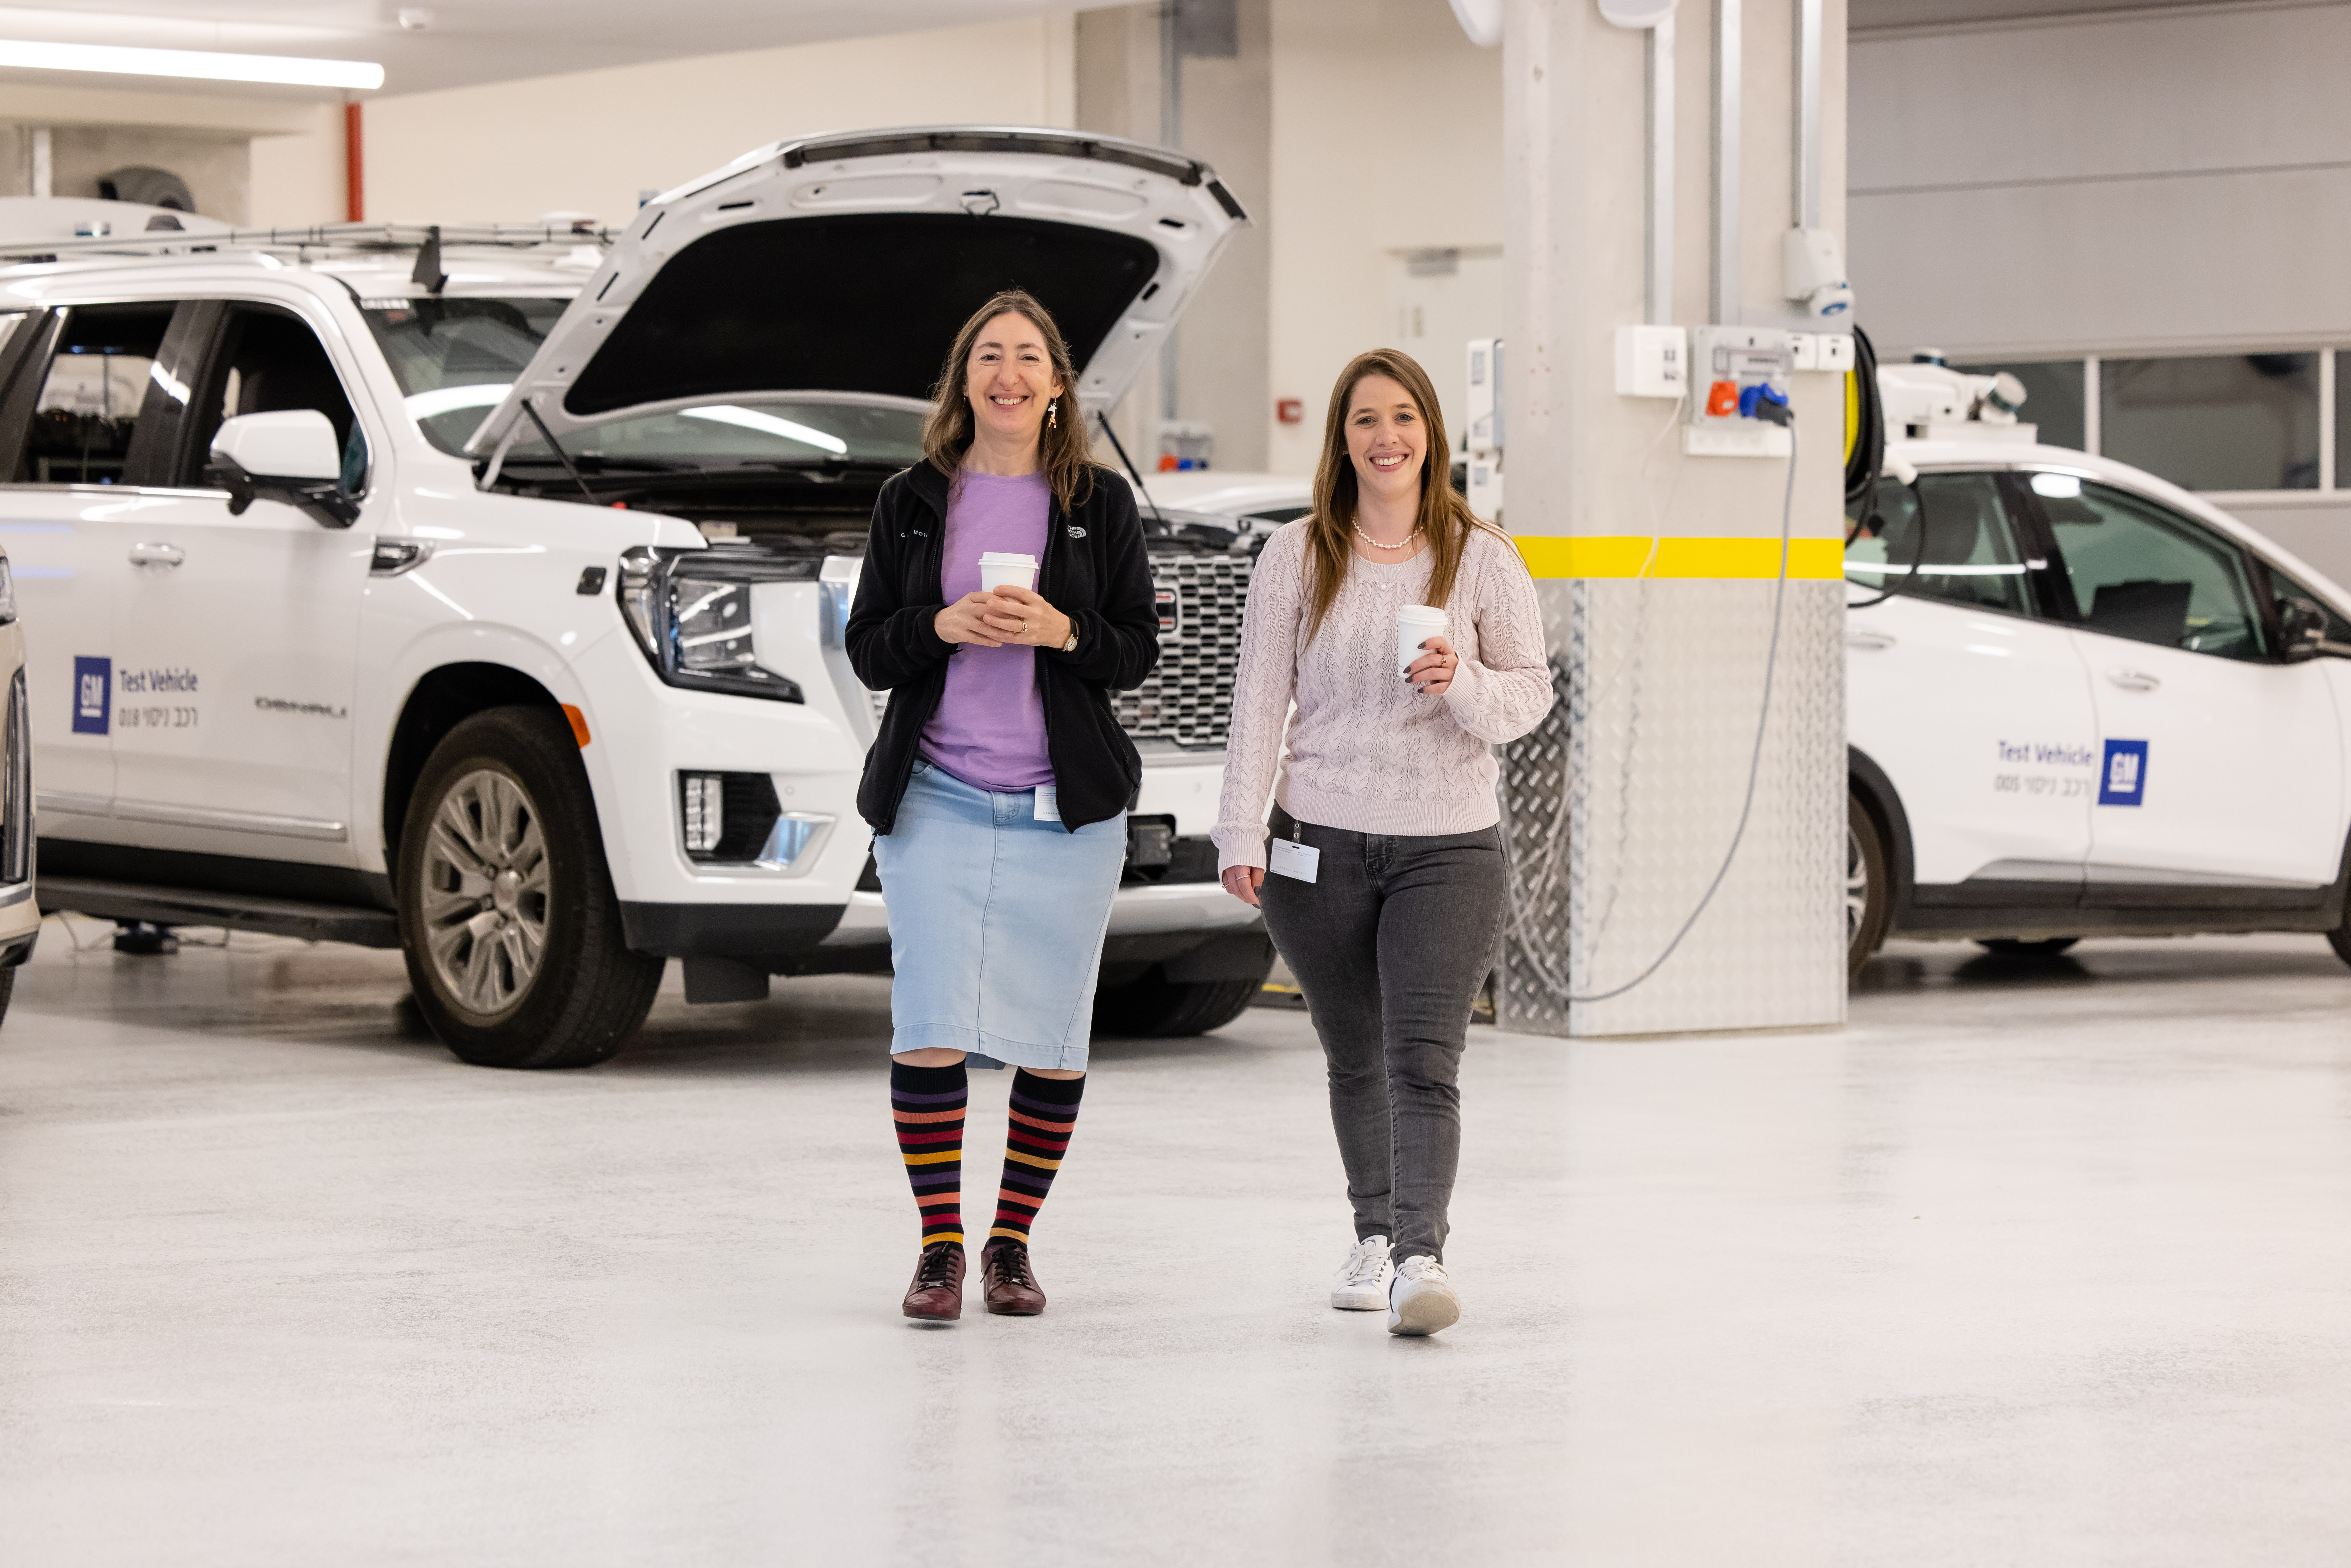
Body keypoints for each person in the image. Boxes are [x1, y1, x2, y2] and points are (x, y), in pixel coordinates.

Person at [1213, 348, 1554, 1336]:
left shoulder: (1482, 555)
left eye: (1403, 417)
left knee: (1423, 1058)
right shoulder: (1296, 554)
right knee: (1353, 1053)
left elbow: (1529, 693)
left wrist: (1465, 683)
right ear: (1343, 439)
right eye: (1366, 419)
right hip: (1315, 840)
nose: (1387, 436)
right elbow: (1257, 704)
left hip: (1448, 847)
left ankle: (1419, 1257)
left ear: (1431, 434)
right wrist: (1243, 829)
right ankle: (1372, 1232)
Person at [846, 290, 1159, 1324]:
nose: (1009, 373)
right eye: (990, 355)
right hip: (935, 794)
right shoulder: (912, 500)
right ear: (965, 379)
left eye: (1030, 357)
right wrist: (941, 622)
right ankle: (940, 1248)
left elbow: (1136, 652)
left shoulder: (1101, 505)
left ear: (1059, 386)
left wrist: (1062, 631)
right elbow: (869, 647)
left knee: (1053, 1040)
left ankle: (1010, 1244)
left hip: (1063, 812)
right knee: (929, 1023)